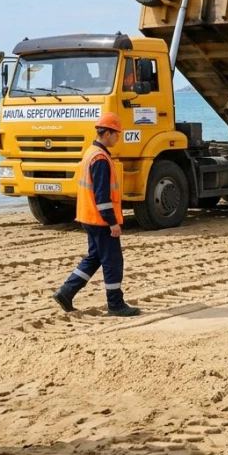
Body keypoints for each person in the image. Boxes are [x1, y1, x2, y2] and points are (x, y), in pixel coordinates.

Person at [52, 113, 141, 317]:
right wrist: (112, 222)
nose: (118, 138)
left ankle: (66, 292)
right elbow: (102, 196)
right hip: (100, 219)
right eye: (116, 134)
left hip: (88, 217)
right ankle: (115, 304)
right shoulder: (100, 158)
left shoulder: (90, 152)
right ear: (107, 133)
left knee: (94, 258)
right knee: (113, 261)